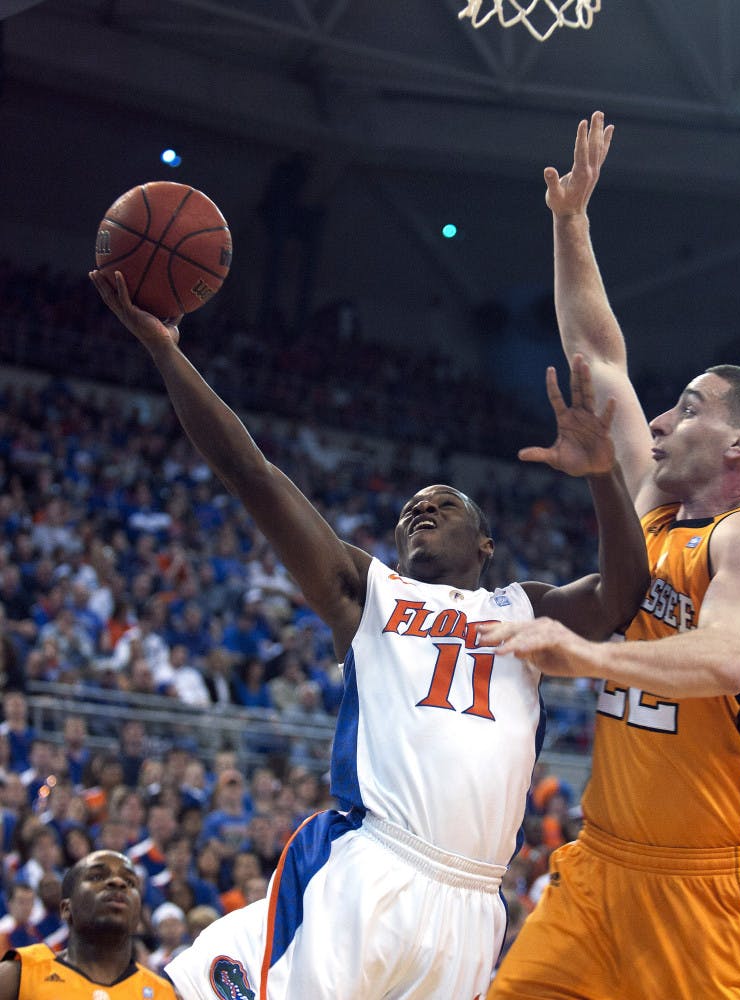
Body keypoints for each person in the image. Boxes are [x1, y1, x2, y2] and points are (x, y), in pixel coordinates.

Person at [88, 268, 648, 999]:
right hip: (371, 863)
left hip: (476, 901)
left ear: (485, 545)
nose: (421, 510)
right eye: (411, 507)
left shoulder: (526, 607)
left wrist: (605, 476)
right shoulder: (369, 592)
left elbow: (623, 596)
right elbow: (249, 473)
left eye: (444, 504)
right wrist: (165, 351)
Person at [484, 112, 740, 1000]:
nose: (660, 421)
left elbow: (723, 657)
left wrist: (589, 655)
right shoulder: (656, 504)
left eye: (688, 407)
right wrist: (571, 224)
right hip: (599, 868)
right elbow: (599, 359)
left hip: (706, 891)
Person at [0, 850, 178, 999]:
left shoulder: (162, 993)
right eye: (96, 876)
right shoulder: (23, 972)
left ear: (137, 913)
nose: (118, 882)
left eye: (130, 882)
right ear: (66, 909)